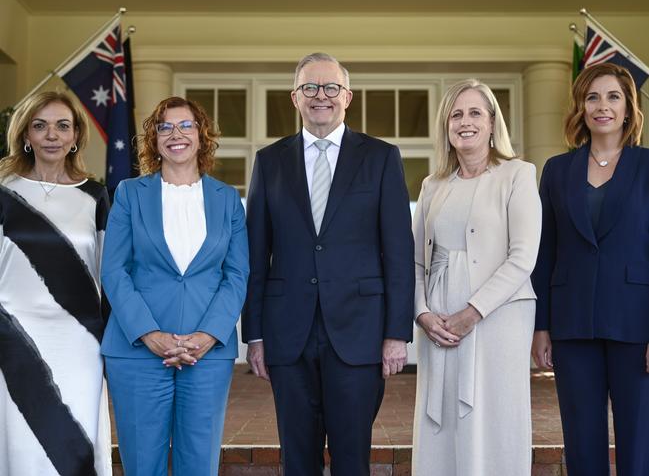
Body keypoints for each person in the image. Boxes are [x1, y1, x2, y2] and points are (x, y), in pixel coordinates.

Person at [242, 52, 414, 476]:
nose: (322, 96)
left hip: (359, 333)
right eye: (310, 88)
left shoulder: (381, 157)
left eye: (331, 87)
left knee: (352, 457)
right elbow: (254, 255)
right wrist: (255, 334)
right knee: (297, 459)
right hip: (288, 334)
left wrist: (397, 333)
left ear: (348, 97)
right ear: (295, 98)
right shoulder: (269, 162)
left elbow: (398, 252)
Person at [101, 96, 249, 475]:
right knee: (142, 463)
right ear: (154, 139)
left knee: (199, 463)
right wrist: (150, 334)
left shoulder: (228, 199)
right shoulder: (130, 194)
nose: (175, 134)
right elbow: (114, 271)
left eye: (185, 125)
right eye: (164, 127)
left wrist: (208, 335)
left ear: (202, 136)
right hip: (136, 351)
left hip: (207, 353)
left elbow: (236, 275)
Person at [411, 79, 541, 475]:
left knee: (494, 417)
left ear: (490, 123)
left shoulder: (518, 174)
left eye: (474, 113)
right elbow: (415, 262)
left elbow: (523, 256)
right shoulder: (432, 186)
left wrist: (473, 312)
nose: (465, 122)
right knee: (442, 421)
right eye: (456, 114)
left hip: (499, 318)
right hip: (439, 323)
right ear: (446, 127)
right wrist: (421, 314)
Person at [532, 62, 648, 476]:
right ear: (580, 107)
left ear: (629, 108)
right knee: (582, 439)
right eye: (592, 97)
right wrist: (540, 325)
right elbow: (545, 251)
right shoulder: (557, 171)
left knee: (641, 441)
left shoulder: (648, 166)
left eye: (613, 96)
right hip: (571, 324)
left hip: (637, 325)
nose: (602, 106)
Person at [0, 91, 111, 475]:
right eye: (40, 125)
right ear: (25, 135)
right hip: (12, 337)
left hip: (80, 342)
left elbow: (108, 273)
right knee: (20, 445)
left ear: (76, 135)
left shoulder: (95, 195)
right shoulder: (4, 193)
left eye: (63, 125)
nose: (52, 135)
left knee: (75, 442)